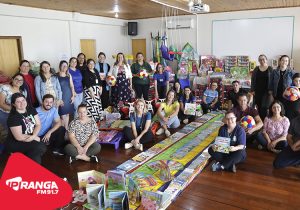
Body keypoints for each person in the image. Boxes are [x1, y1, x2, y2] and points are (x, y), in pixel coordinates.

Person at [5, 93, 46, 164]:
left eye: (23, 100)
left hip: (29, 138)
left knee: (37, 152)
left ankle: (25, 162)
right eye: (18, 101)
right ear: (14, 104)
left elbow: (38, 124)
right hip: (16, 142)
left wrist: (33, 136)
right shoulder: (13, 117)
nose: (22, 103)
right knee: (40, 147)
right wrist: (34, 137)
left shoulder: (31, 109)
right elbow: (19, 137)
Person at [251, 54, 274, 120]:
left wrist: (271, 90)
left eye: (263, 59)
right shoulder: (256, 69)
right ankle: (260, 122)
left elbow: (273, 80)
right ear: (259, 61)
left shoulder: (270, 69)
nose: (262, 61)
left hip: (267, 92)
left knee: (265, 107)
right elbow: (253, 80)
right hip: (257, 92)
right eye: (260, 59)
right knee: (259, 107)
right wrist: (252, 90)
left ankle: (265, 122)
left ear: (266, 60)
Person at [57, 60, 76, 128]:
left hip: (68, 96)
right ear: (60, 66)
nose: (65, 67)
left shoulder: (68, 75)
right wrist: (58, 99)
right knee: (62, 115)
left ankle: (66, 128)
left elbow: (72, 86)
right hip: (61, 97)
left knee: (67, 114)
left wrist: (73, 96)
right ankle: (64, 130)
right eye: (63, 65)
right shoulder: (56, 75)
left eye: (66, 66)